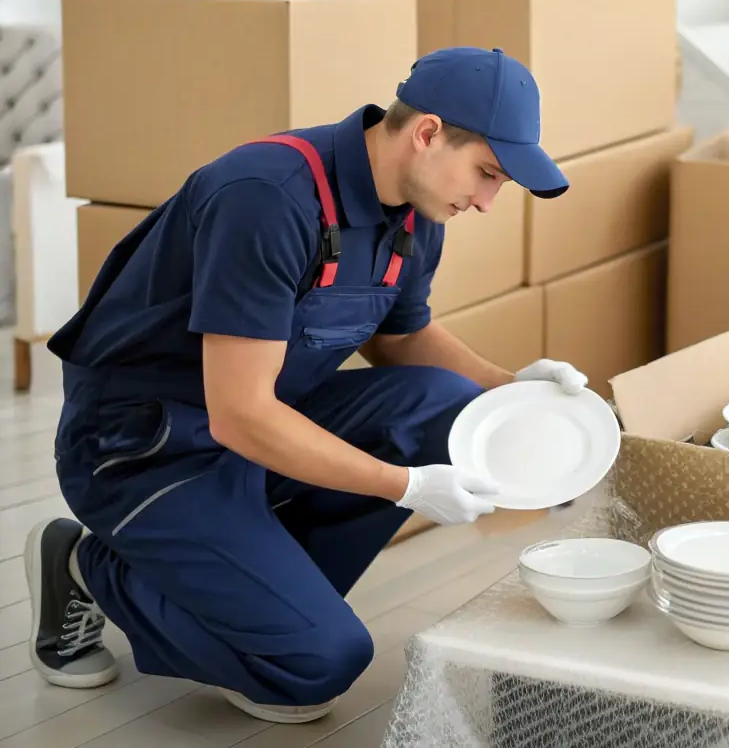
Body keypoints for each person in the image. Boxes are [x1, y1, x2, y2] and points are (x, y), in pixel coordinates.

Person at [26, 46, 590, 723]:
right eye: (487, 174)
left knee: (449, 405)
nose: (488, 202)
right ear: (428, 133)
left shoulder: (416, 213)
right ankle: (90, 568)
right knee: (313, 667)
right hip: (145, 450)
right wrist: (405, 486)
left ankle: (258, 594)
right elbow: (239, 415)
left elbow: (402, 338)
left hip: (260, 429)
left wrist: (512, 387)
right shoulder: (267, 198)